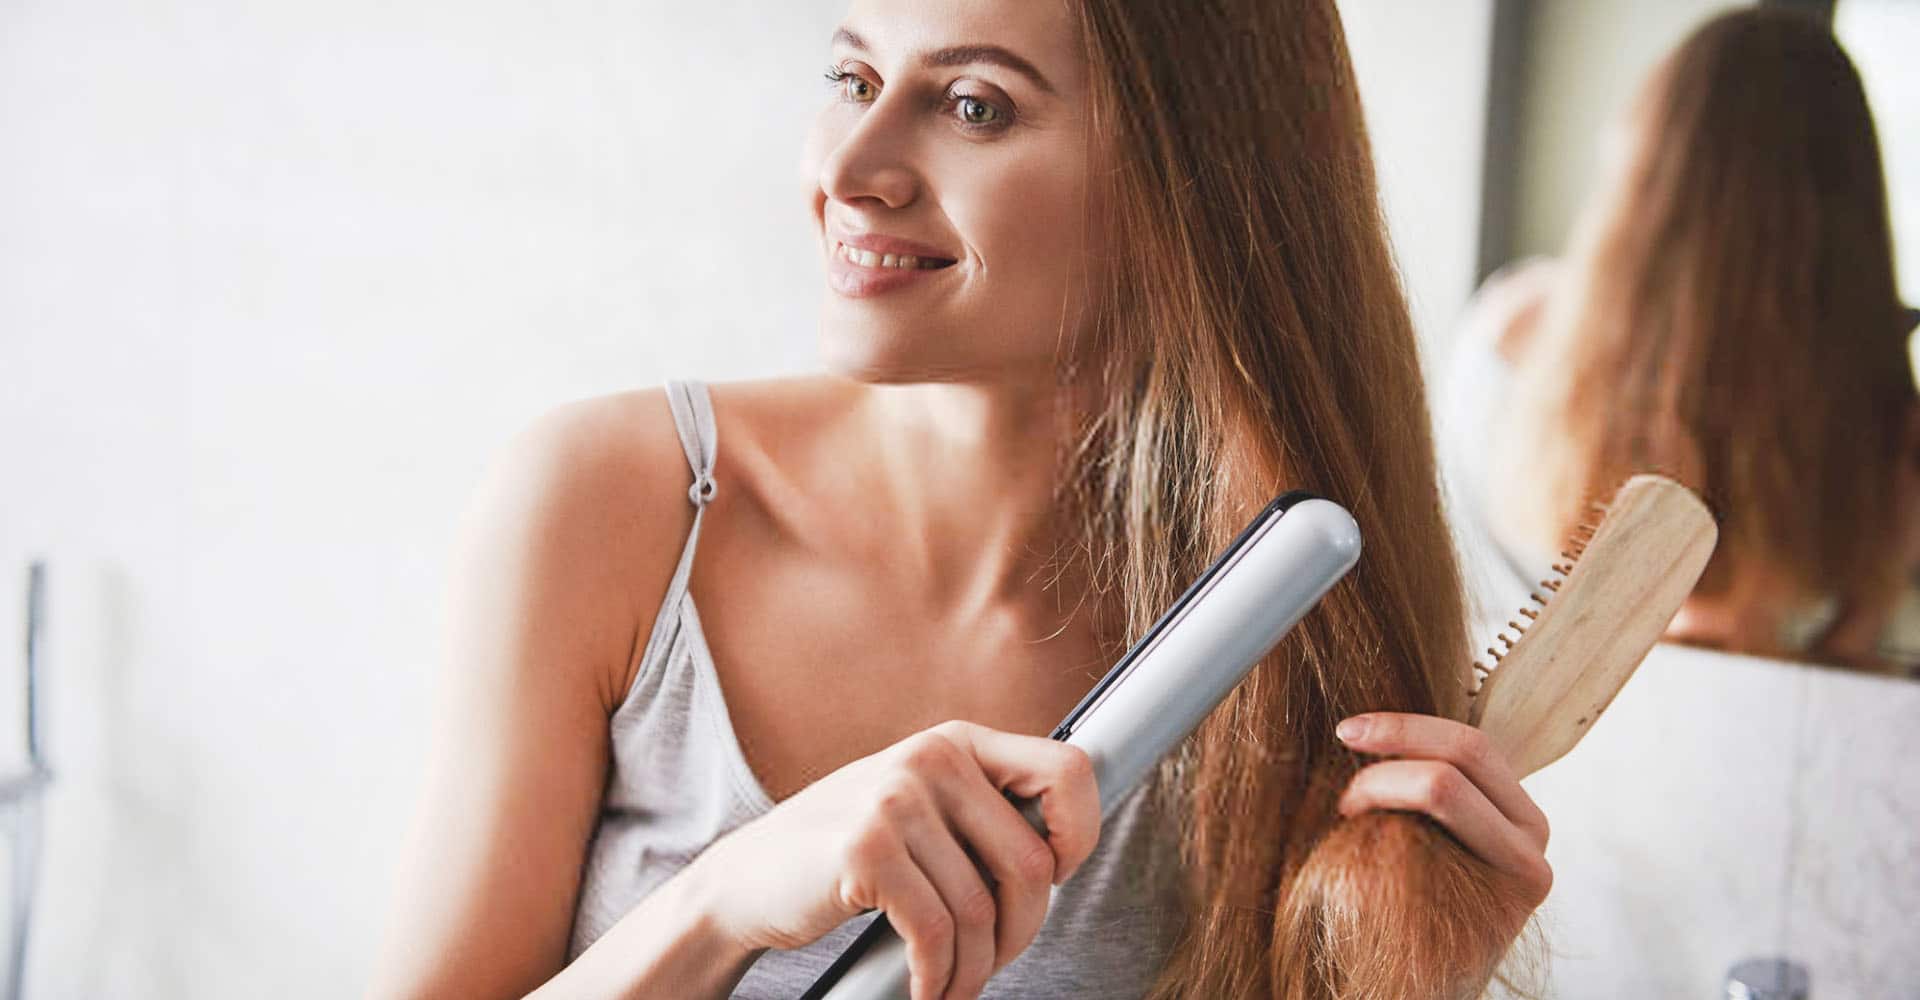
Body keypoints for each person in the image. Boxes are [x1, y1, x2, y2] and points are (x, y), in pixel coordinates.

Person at [370, 2, 1552, 998]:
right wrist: (726, 900)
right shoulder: (616, 505)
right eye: (853, 77)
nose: (849, 168)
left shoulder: (1299, 633)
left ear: (1192, 178)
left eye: (972, 105)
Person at [1443, 7, 1920, 677]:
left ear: (1645, 156)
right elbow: (1849, 658)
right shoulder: (1888, 422)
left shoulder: (1510, 334)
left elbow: (1466, 599)